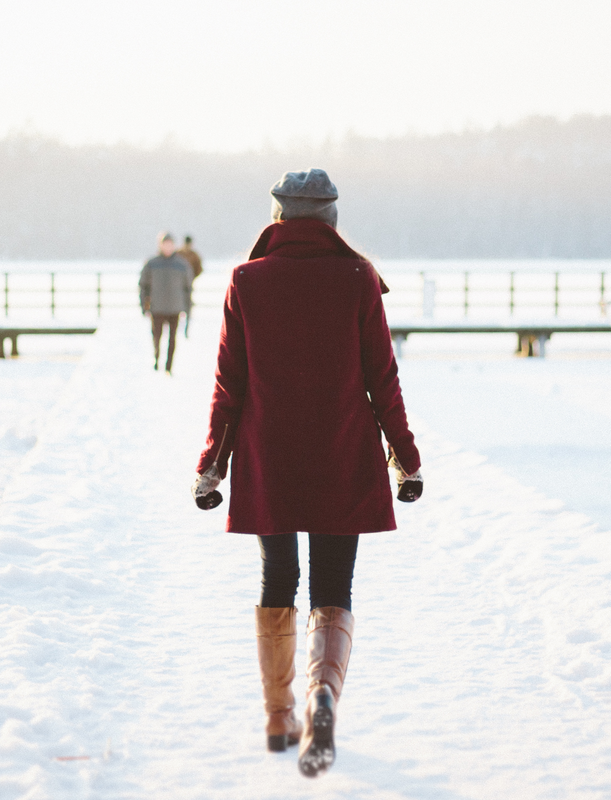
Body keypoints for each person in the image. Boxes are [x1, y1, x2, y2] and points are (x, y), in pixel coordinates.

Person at [192, 169, 424, 778]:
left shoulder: (246, 280)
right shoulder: (357, 280)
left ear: (278, 218)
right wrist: (406, 454)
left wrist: (212, 463)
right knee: (333, 589)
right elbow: (383, 378)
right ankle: (324, 698)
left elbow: (228, 383)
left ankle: (278, 716)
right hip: (342, 450)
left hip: (269, 453)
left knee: (277, 580)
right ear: (330, 220)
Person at [138, 233, 193, 373]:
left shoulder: (181, 264)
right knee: (157, 336)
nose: (168, 247)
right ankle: (157, 357)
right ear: (160, 245)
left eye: (170, 244)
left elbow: (188, 287)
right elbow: (143, 285)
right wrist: (143, 304)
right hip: (157, 307)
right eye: (165, 244)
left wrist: (187, 307)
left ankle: (169, 366)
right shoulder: (152, 264)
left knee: (172, 338)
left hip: (175, 307)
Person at [178, 235, 203, 337]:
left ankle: (186, 330)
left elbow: (199, 269)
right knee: (177, 307)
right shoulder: (178, 254)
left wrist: (191, 277)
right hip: (177, 285)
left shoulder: (194, 255)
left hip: (188, 286)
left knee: (188, 307)